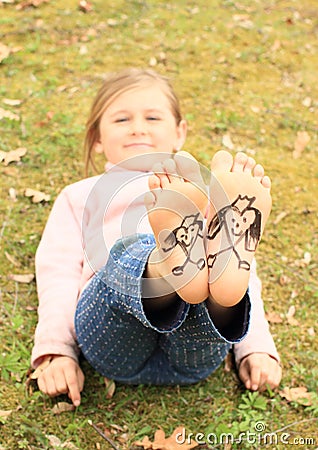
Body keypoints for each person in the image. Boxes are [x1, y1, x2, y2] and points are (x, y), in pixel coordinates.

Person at [31, 68, 282, 407]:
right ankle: (165, 262)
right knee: (127, 255)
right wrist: (57, 351)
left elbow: (241, 274)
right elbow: (57, 274)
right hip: (111, 339)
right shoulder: (81, 196)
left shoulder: (203, 195)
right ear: (98, 138)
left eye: (152, 117)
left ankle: (189, 273)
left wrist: (255, 348)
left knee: (217, 273)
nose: (138, 127)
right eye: (122, 119)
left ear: (180, 132)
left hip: (194, 350)